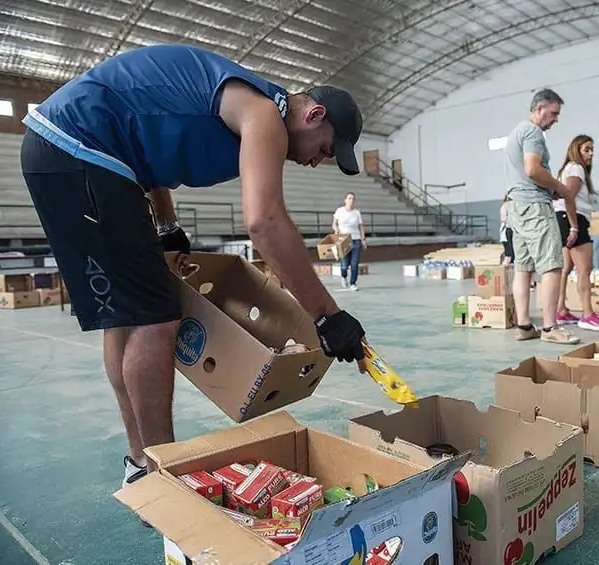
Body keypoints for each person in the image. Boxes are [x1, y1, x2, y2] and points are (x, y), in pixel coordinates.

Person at [20, 44, 368, 490]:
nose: (319, 160)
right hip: (83, 150)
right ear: (314, 115)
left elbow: (151, 154)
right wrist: (328, 316)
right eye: (325, 149)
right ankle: (163, 474)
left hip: (70, 151)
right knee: (156, 318)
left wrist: (167, 225)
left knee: (126, 320)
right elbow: (264, 221)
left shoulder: (250, 104)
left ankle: (140, 463)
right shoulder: (265, 113)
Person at [503, 89, 579, 344]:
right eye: (553, 113)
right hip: (535, 207)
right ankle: (550, 328)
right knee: (552, 265)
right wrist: (559, 187)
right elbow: (533, 169)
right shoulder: (533, 132)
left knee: (524, 267)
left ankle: (524, 325)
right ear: (539, 109)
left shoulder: (516, 131)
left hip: (517, 207)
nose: (556, 120)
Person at [555, 135, 599, 332]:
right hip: (573, 219)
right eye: (587, 149)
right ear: (576, 150)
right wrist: (574, 226)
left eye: (592, 149)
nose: (591, 153)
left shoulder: (567, 168)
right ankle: (587, 314)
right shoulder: (576, 168)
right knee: (584, 269)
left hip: (564, 218)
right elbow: (569, 196)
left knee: (566, 268)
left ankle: (560, 310)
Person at [332, 192, 367, 291]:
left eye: (353, 199)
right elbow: (334, 224)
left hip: (356, 239)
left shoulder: (357, 213)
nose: (351, 200)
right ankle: (343, 276)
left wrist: (363, 239)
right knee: (344, 264)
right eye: (349, 198)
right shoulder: (339, 211)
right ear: (345, 200)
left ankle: (353, 283)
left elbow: (360, 226)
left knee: (354, 263)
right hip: (344, 240)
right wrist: (336, 230)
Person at [499, 196, 514, 265]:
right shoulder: (509, 205)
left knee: (508, 253)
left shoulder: (504, 205)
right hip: (508, 228)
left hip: (505, 229)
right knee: (510, 254)